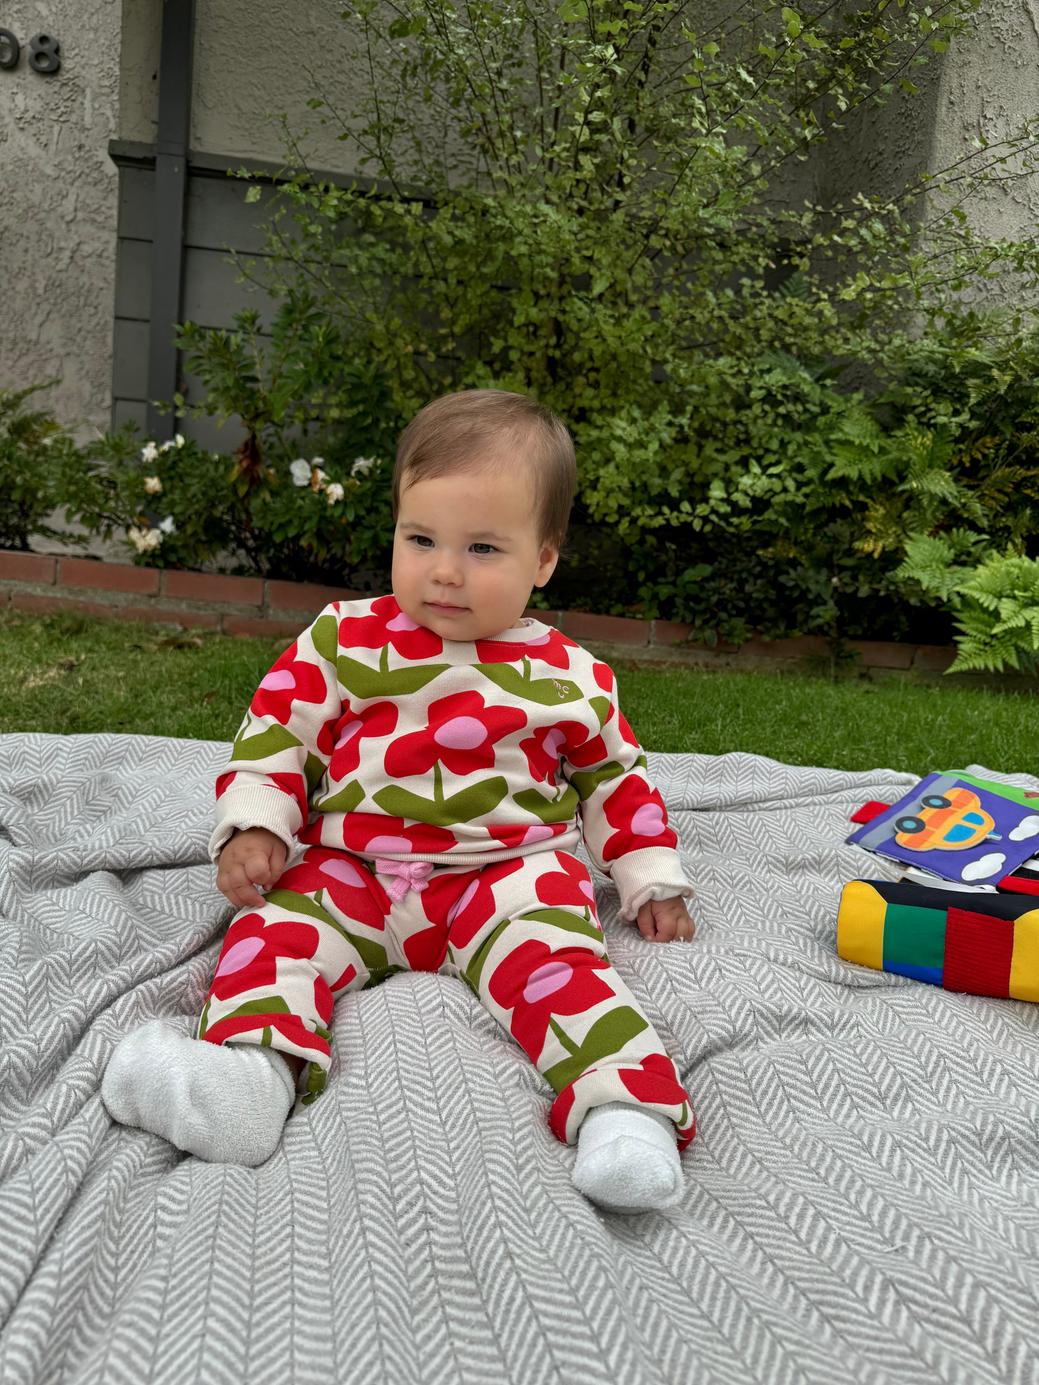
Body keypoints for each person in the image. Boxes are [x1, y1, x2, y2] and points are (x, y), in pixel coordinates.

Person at [102, 389, 696, 1213]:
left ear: (544, 560)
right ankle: (246, 1080)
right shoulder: (344, 640)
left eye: (483, 547)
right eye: (420, 539)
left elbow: (618, 782)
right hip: (355, 867)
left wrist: (650, 876)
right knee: (278, 932)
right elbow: (277, 729)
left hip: (507, 872)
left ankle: (626, 1113)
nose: (445, 570)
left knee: (565, 972)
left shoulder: (571, 677)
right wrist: (256, 823)